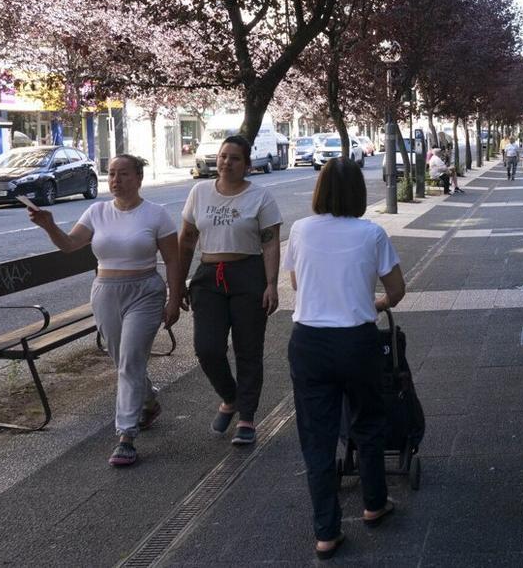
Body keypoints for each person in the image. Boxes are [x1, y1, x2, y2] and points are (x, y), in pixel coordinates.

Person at [283, 157, 405, 560]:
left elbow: (298, 283)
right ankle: (374, 504)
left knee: (316, 437)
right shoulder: (372, 234)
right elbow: (397, 289)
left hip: (310, 343)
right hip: (357, 341)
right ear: (359, 191)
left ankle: (326, 532)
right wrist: (377, 302)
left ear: (319, 190)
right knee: (368, 421)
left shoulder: (300, 230)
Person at [28, 155, 181, 466]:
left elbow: (174, 260)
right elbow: (70, 245)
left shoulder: (157, 214)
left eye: (123, 174)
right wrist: (48, 225)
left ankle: (126, 435)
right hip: (105, 292)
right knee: (124, 361)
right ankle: (148, 400)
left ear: (138, 178)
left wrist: (174, 298)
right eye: (111, 174)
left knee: (130, 360)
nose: (115, 180)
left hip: (145, 292)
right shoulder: (96, 211)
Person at [178, 135, 282, 446]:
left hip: (247, 274)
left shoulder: (261, 197)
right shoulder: (199, 192)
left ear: (247, 165)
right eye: (223, 156)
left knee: (248, 350)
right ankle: (231, 397)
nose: (226, 162)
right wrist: (179, 282)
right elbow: (186, 240)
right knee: (207, 348)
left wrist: (271, 284)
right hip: (209, 277)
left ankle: (247, 418)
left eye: (235, 158)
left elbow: (270, 242)